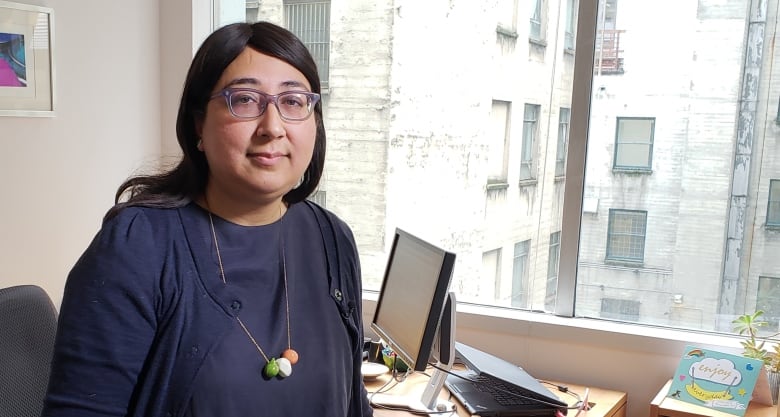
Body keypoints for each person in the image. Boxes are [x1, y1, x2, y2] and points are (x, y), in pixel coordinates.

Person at [41, 21, 372, 417]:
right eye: (245, 100)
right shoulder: (136, 247)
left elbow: (354, 404)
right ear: (199, 123)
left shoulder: (332, 238)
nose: (273, 127)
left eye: (294, 102)